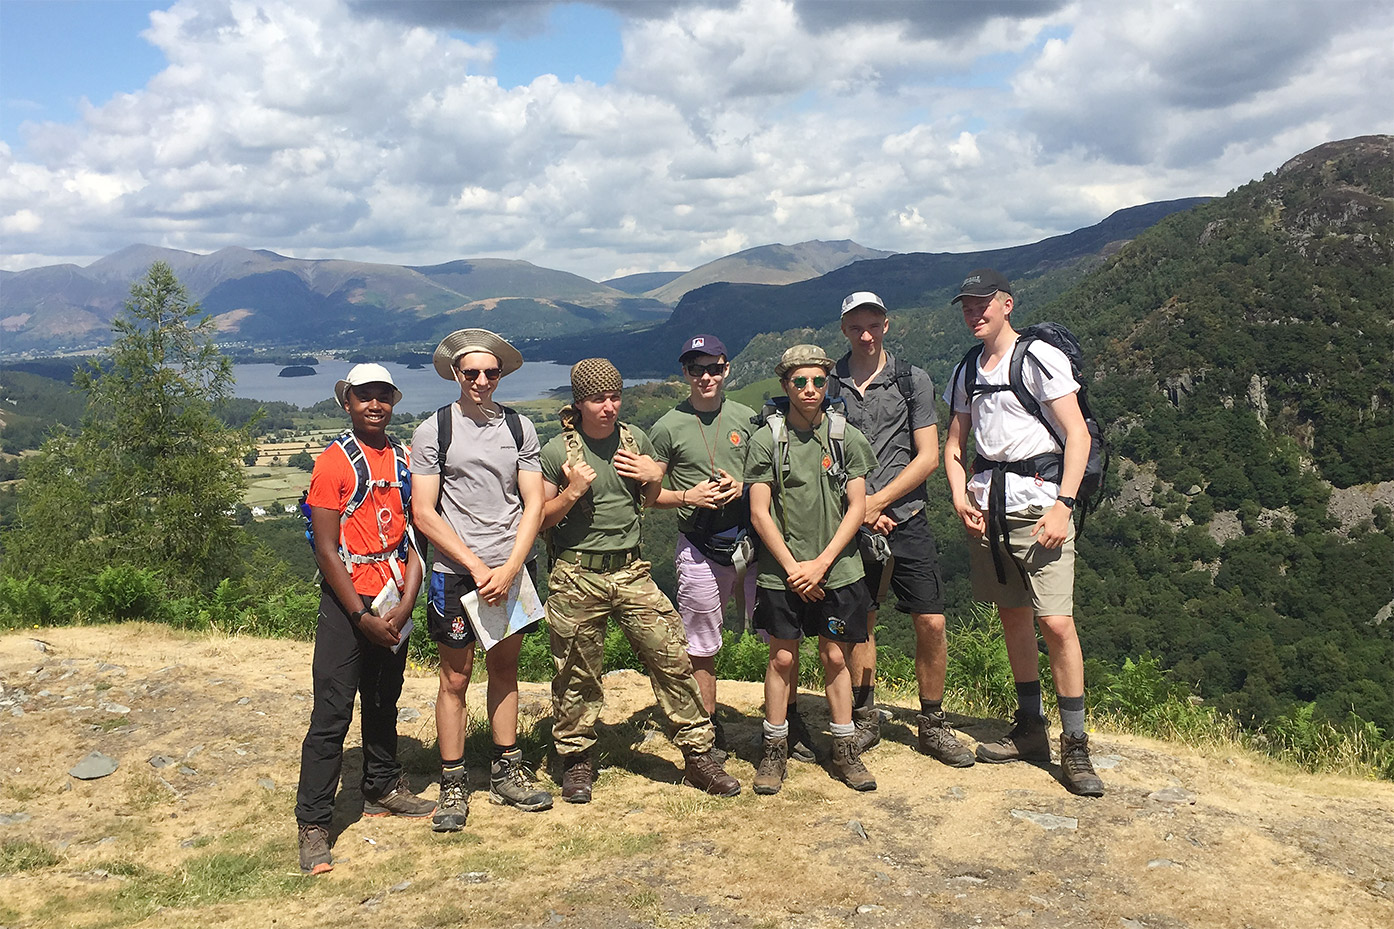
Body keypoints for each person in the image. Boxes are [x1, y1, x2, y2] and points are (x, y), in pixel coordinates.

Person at [540, 357, 740, 802]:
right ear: (579, 402)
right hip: (577, 574)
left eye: (614, 397)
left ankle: (698, 755)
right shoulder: (558, 452)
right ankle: (576, 759)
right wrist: (572, 492)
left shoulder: (635, 440)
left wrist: (656, 477)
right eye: (598, 399)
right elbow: (540, 521)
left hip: (631, 571)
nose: (608, 407)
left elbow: (647, 501)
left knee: (671, 657)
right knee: (576, 672)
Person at [942, 269, 1105, 797]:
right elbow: (953, 446)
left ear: (1006, 304)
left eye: (982, 304)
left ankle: (1074, 746)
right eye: (967, 306)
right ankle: (1031, 729)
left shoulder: (1038, 359)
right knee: (1013, 618)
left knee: (1056, 623)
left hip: (1040, 509)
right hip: (988, 510)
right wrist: (958, 493)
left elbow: (1076, 435)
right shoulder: (967, 367)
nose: (974, 313)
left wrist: (1063, 506)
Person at [410, 329, 552, 833]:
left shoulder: (519, 427)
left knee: (506, 669)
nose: (482, 381)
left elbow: (533, 502)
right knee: (455, 677)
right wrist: (476, 566)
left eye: (491, 372)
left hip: (510, 570)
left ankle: (506, 769)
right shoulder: (435, 430)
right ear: (455, 374)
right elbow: (424, 513)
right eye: (471, 372)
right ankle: (453, 781)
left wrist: (511, 568)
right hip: (457, 573)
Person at [295, 363, 434, 876]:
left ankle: (381, 785)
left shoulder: (405, 460)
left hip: (392, 599)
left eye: (383, 397)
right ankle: (314, 823)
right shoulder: (334, 464)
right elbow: (327, 550)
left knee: (382, 698)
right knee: (331, 714)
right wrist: (358, 613)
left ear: (392, 402)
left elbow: (417, 539)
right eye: (364, 397)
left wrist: (405, 604)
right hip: (347, 603)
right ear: (347, 403)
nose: (374, 405)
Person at [833, 292, 974, 767]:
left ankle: (931, 723)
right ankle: (865, 714)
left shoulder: (912, 380)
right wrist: (861, 510)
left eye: (873, 325)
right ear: (845, 329)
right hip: (852, 522)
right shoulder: (829, 384)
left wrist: (877, 501)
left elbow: (929, 456)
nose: (866, 335)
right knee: (861, 621)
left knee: (930, 620)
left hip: (907, 516)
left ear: (886, 325)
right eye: (856, 327)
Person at [745, 344, 879, 794]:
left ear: (828, 383)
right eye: (799, 381)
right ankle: (774, 750)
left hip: (837, 570)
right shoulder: (767, 440)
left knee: (836, 655)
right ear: (785, 385)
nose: (809, 389)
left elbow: (858, 506)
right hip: (782, 573)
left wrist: (819, 565)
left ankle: (844, 749)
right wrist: (793, 568)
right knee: (782, 656)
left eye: (818, 381)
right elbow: (760, 512)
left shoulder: (846, 438)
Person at [648, 335, 759, 758]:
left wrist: (743, 487)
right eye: (697, 370)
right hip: (698, 544)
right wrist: (686, 497)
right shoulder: (667, 427)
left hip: (751, 543)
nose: (706, 377)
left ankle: (783, 721)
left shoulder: (747, 420)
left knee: (777, 636)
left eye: (714, 368)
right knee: (700, 644)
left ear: (727, 369)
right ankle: (706, 729)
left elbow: (771, 480)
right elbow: (648, 495)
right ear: (686, 375)